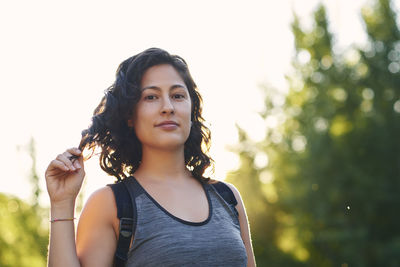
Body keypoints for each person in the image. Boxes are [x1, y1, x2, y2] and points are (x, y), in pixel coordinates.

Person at [45, 48, 256, 267]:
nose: (168, 107)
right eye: (151, 97)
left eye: (177, 96)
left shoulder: (228, 198)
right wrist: (61, 204)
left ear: (191, 111)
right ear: (129, 116)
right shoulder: (110, 204)